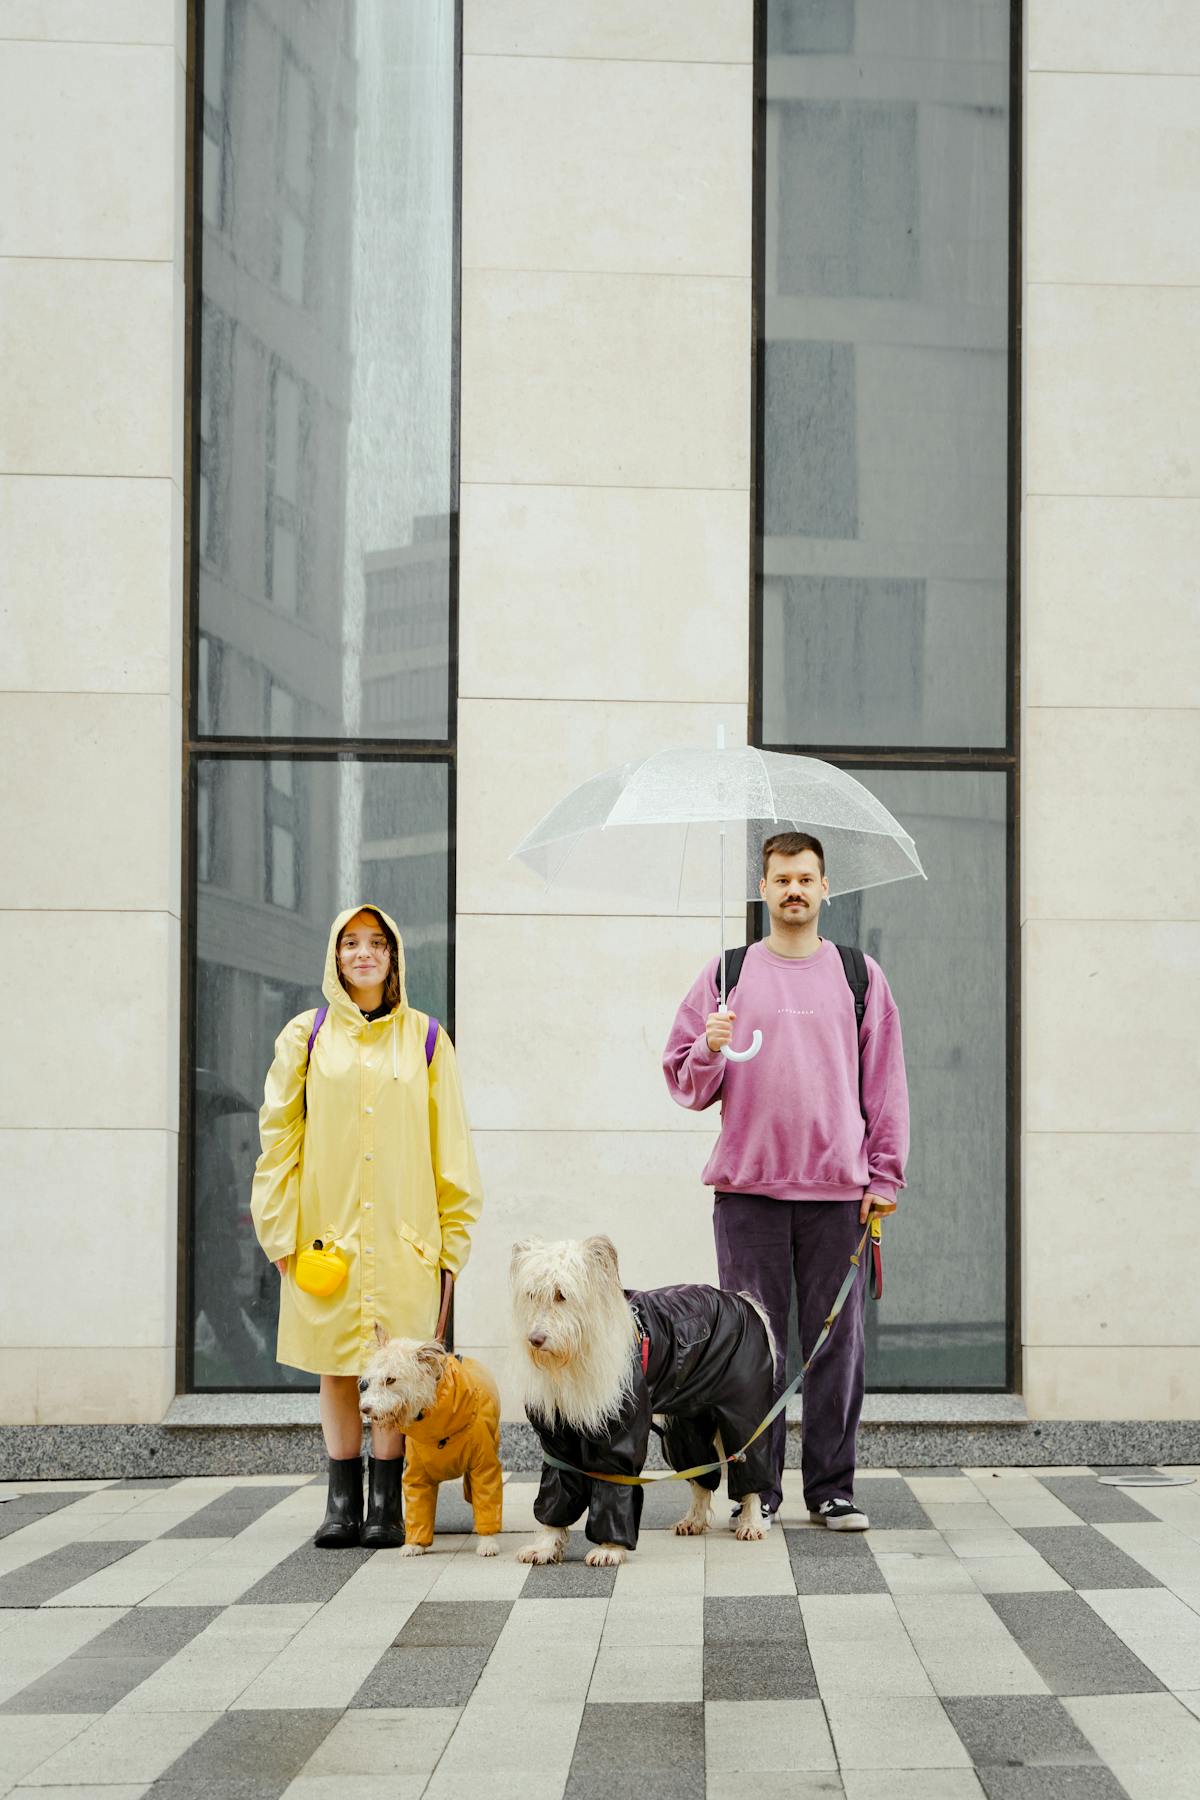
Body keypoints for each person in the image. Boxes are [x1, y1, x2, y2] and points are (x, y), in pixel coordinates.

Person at [663, 832, 908, 1531]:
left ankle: (831, 1489)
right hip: (749, 1197)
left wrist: (885, 1175)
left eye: (805, 878)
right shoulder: (727, 974)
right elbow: (684, 1084)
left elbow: (886, 1084)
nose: (794, 889)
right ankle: (757, 1493)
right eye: (781, 879)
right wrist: (709, 1047)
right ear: (763, 889)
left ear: (825, 888)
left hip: (839, 1196)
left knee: (837, 1349)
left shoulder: (860, 976)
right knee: (752, 1355)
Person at [251, 903, 483, 1549]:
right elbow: (278, 1138)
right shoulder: (305, 1036)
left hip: (406, 1237)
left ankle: (387, 1502)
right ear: (335, 955)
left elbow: (452, 1146)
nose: (363, 953)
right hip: (326, 1237)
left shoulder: (427, 1038)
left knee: (396, 1368)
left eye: (376, 943)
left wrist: (452, 1241)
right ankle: (341, 1501)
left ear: (393, 956)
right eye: (350, 943)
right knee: (334, 1366)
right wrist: (279, 1230)